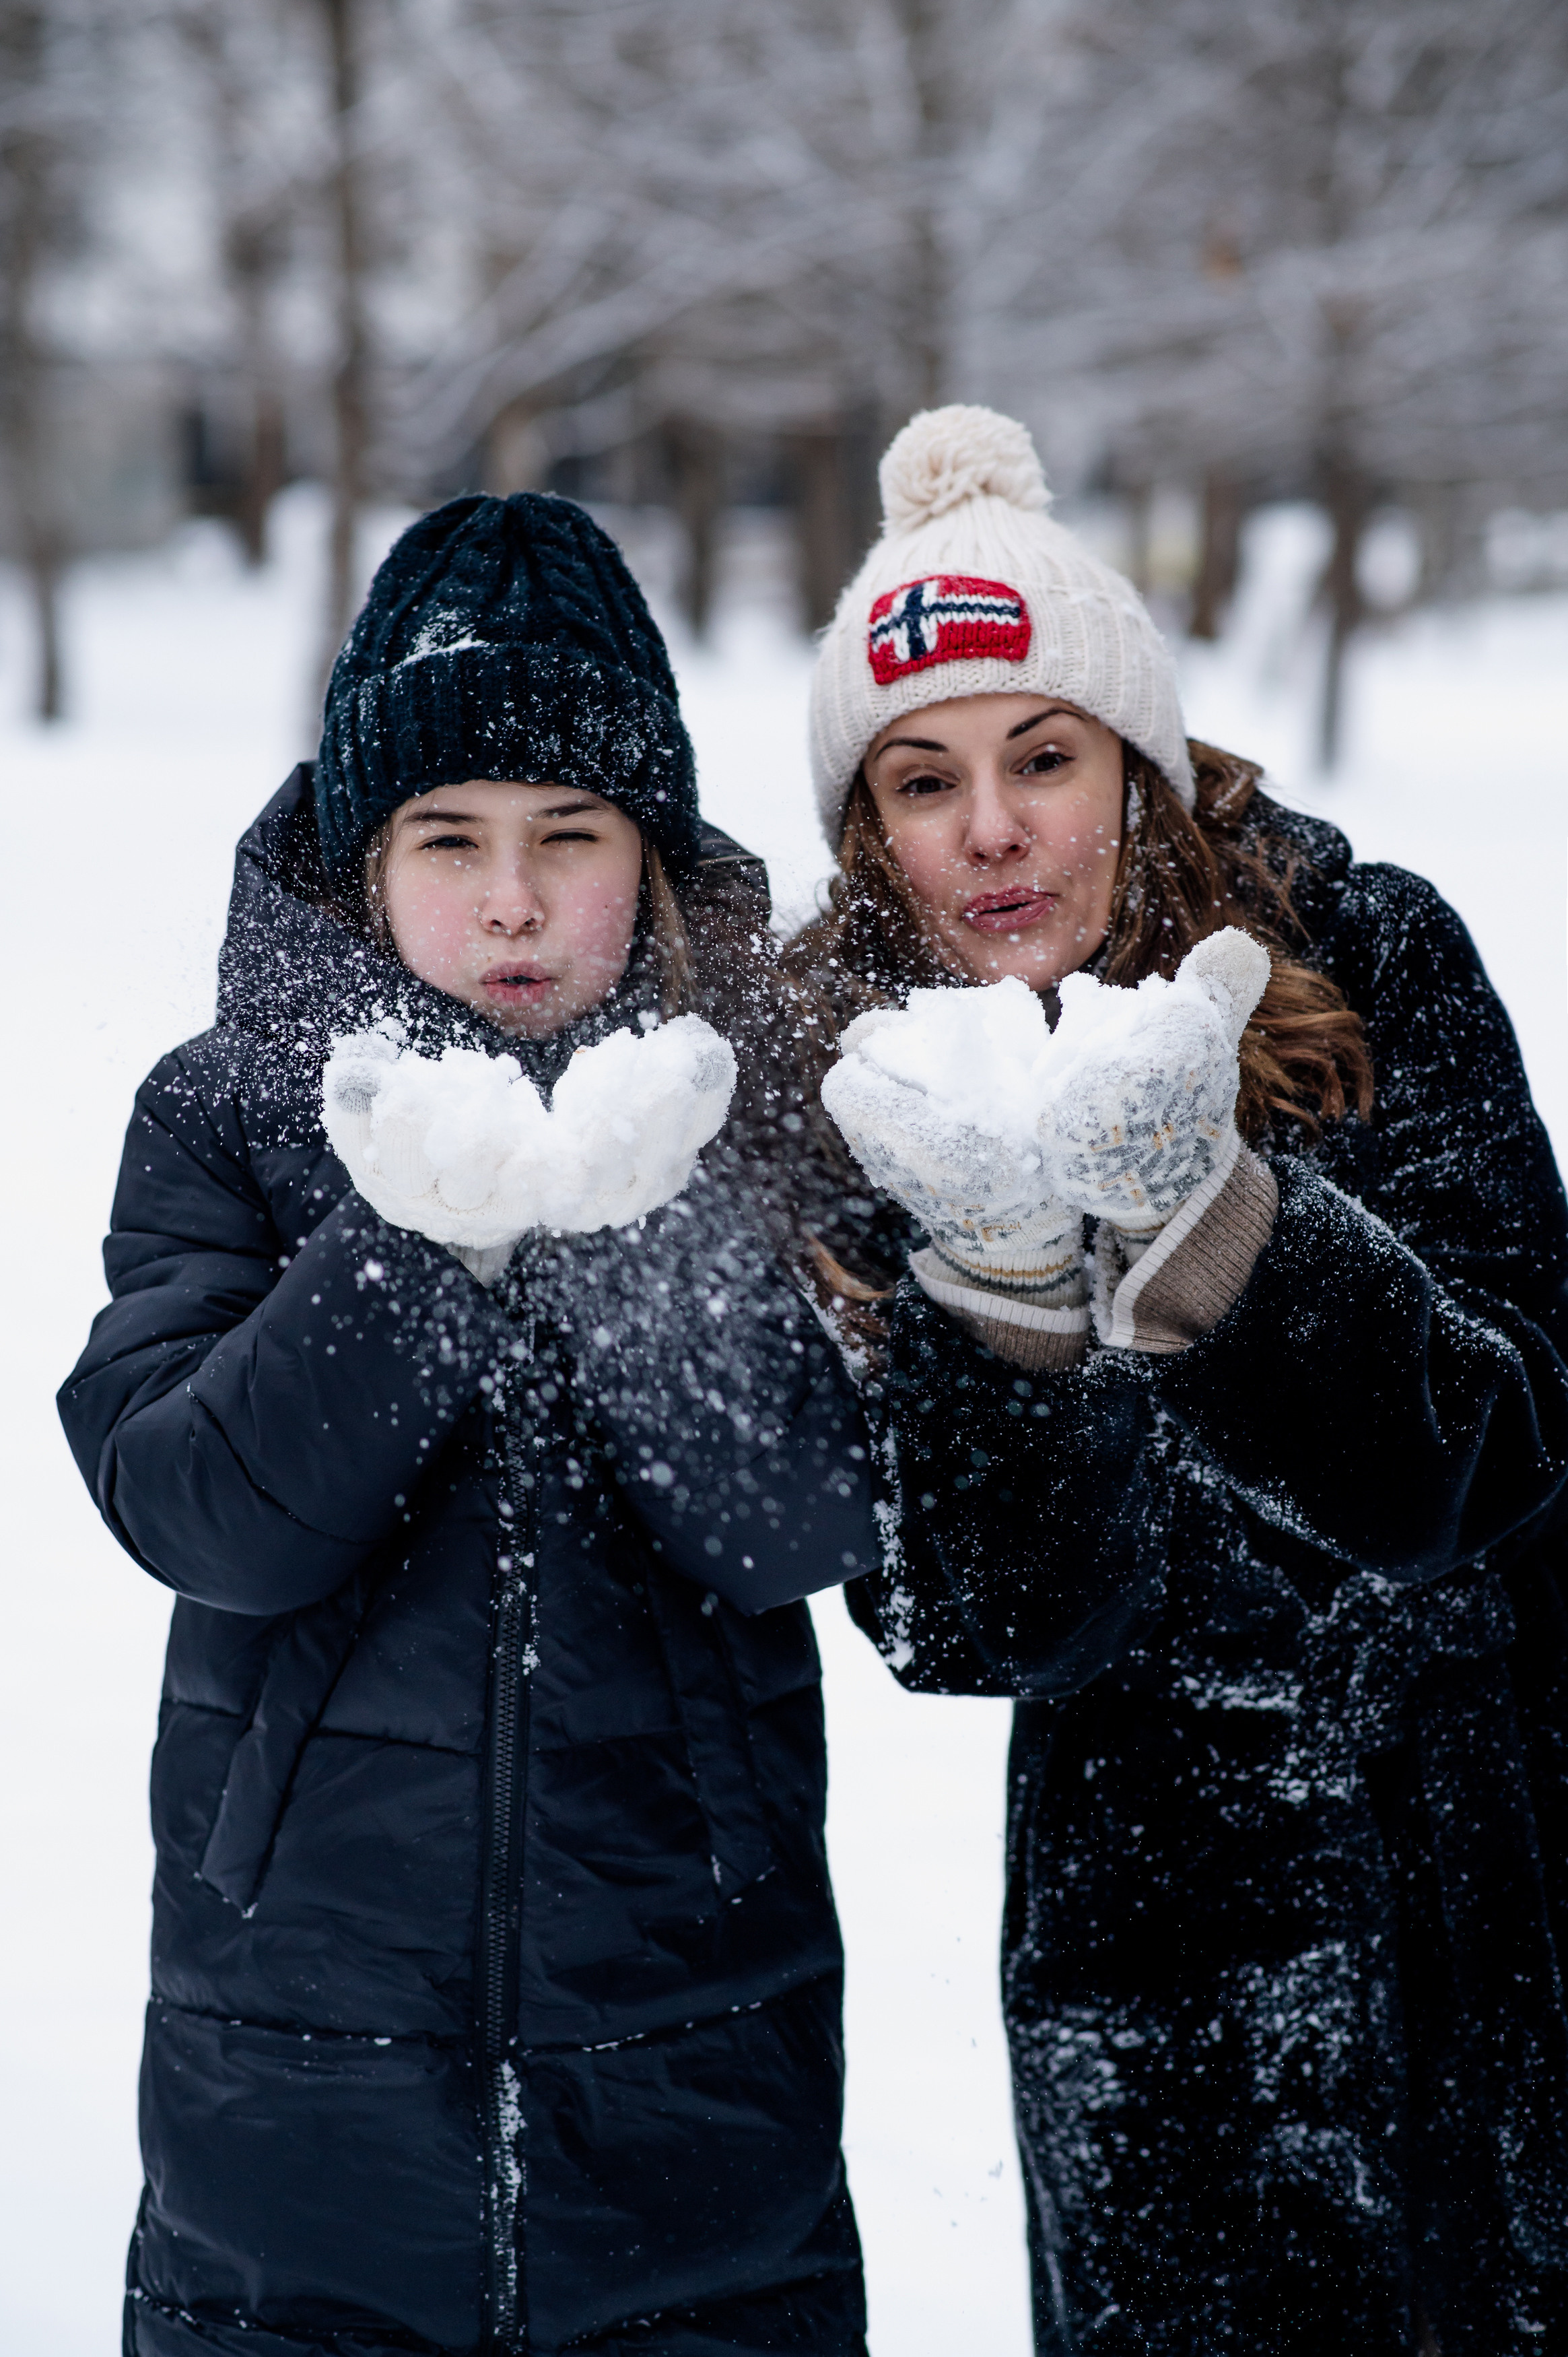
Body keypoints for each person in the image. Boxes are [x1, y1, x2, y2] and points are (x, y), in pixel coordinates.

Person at [58, 492, 881, 2357]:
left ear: (648, 855)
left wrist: (635, 1214)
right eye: (450, 837)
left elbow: (797, 1522)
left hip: (696, 2098)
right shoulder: (230, 1116)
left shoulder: (748, 1108)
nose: (511, 898)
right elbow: (198, 1505)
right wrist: (416, 1240)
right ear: (365, 859)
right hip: (294, 2100)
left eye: (567, 836)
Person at [786, 406, 1568, 2354]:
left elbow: (1492, 1456)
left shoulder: (1372, 956)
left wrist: (1213, 1216)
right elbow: (973, 1625)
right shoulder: (882, 1100)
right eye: (921, 780)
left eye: (1040, 756)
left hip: (1482, 1904)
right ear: (866, 832)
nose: (988, 829)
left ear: (1133, 764)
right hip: (1158, 1989)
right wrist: (997, 1281)